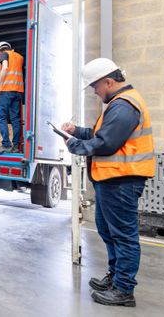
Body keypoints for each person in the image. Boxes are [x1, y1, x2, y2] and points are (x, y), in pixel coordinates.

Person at [61, 58, 155, 308]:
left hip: (122, 181)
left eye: (95, 86)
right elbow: (100, 135)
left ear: (109, 82)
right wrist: (76, 131)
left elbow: (106, 144)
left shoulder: (124, 105)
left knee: (123, 235)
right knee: (108, 230)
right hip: (112, 180)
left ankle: (124, 289)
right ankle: (116, 278)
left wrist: (74, 145)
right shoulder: (117, 104)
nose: (94, 91)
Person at [0, 41, 24, 153]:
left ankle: (6, 144)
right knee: (15, 119)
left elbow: (5, 68)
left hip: (6, 90)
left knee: (1, 117)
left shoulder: (4, 54)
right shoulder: (19, 57)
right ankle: (15, 146)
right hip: (18, 92)